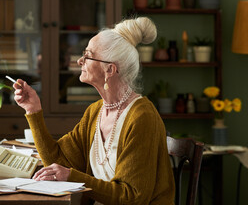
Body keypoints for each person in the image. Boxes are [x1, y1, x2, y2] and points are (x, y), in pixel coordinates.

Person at [13, 17, 175, 204]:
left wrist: (73, 177)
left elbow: (131, 197)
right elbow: (58, 161)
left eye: (88, 55)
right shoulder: (95, 111)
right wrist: (33, 110)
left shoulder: (142, 117)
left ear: (110, 70)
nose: (81, 60)